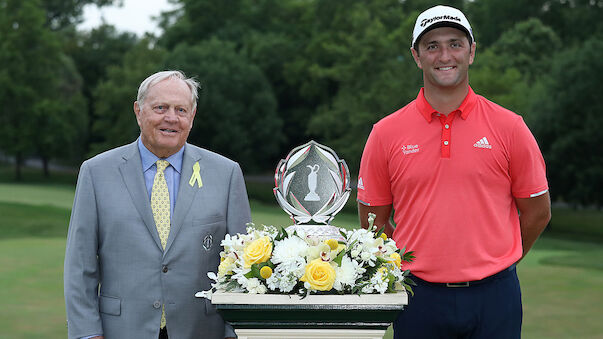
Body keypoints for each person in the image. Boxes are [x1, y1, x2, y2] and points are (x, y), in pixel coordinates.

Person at [357, 5, 551, 339]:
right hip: (418, 296)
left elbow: (537, 213)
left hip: (496, 296)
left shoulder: (510, 127)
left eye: (455, 44)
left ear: (471, 52)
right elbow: (373, 223)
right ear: (417, 56)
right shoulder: (385, 133)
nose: (444, 55)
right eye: (432, 46)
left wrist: (498, 259)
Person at [64, 70, 251, 339]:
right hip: (121, 331)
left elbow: (241, 268)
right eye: (160, 107)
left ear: (192, 116)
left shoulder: (227, 174)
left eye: (181, 110)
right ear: (138, 111)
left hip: (202, 331)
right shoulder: (96, 172)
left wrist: (234, 333)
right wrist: (88, 334)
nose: (171, 118)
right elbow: (79, 267)